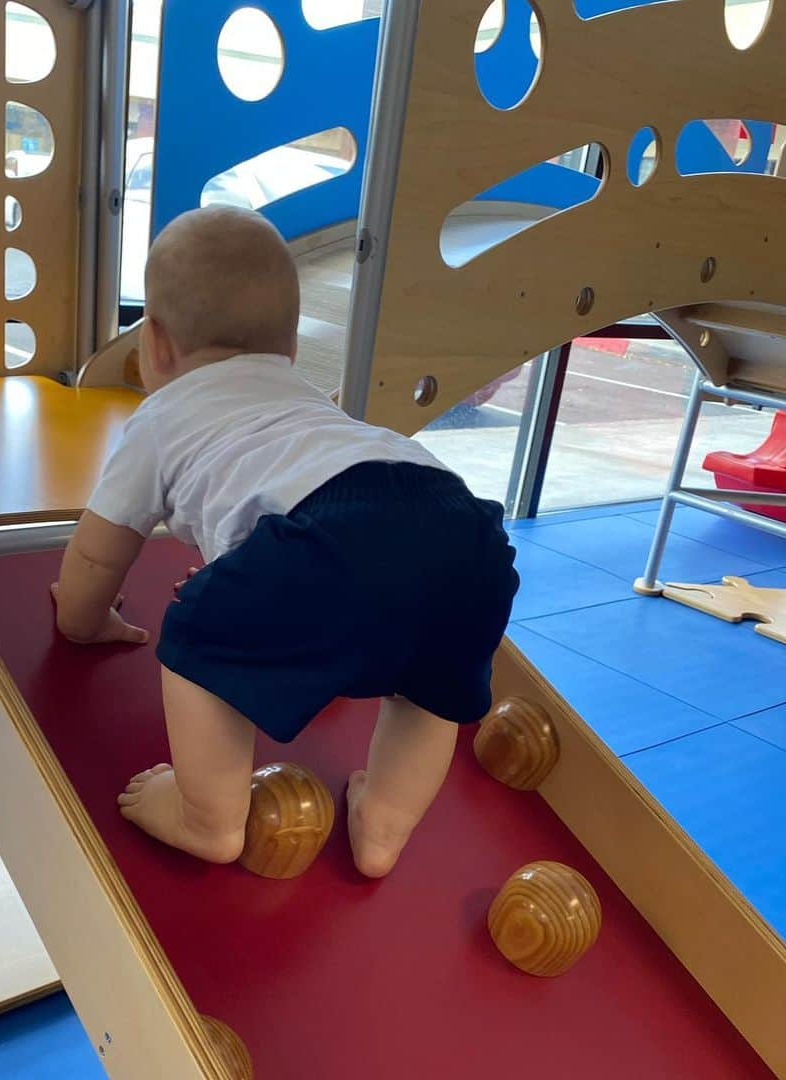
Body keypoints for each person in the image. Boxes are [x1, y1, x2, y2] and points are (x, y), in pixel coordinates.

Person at [52, 207, 519, 878]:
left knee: (195, 636)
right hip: (463, 526)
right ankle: (384, 824)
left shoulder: (159, 419)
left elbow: (98, 553)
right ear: (291, 345)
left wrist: (82, 620)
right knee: (428, 686)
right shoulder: (306, 402)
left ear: (152, 344)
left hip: (332, 536)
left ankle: (205, 820)